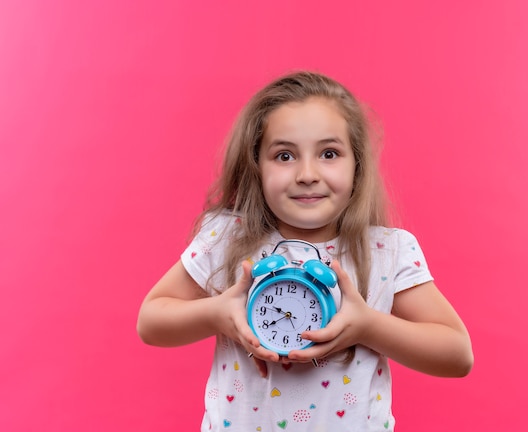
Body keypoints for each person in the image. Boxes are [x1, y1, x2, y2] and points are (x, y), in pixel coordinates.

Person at [137, 71, 473, 431]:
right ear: (256, 167)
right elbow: (151, 321)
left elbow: (457, 354)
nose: (307, 174)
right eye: (284, 156)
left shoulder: (385, 252)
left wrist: (367, 327)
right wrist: (216, 313)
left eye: (329, 153)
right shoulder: (227, 239)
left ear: (356, 166)